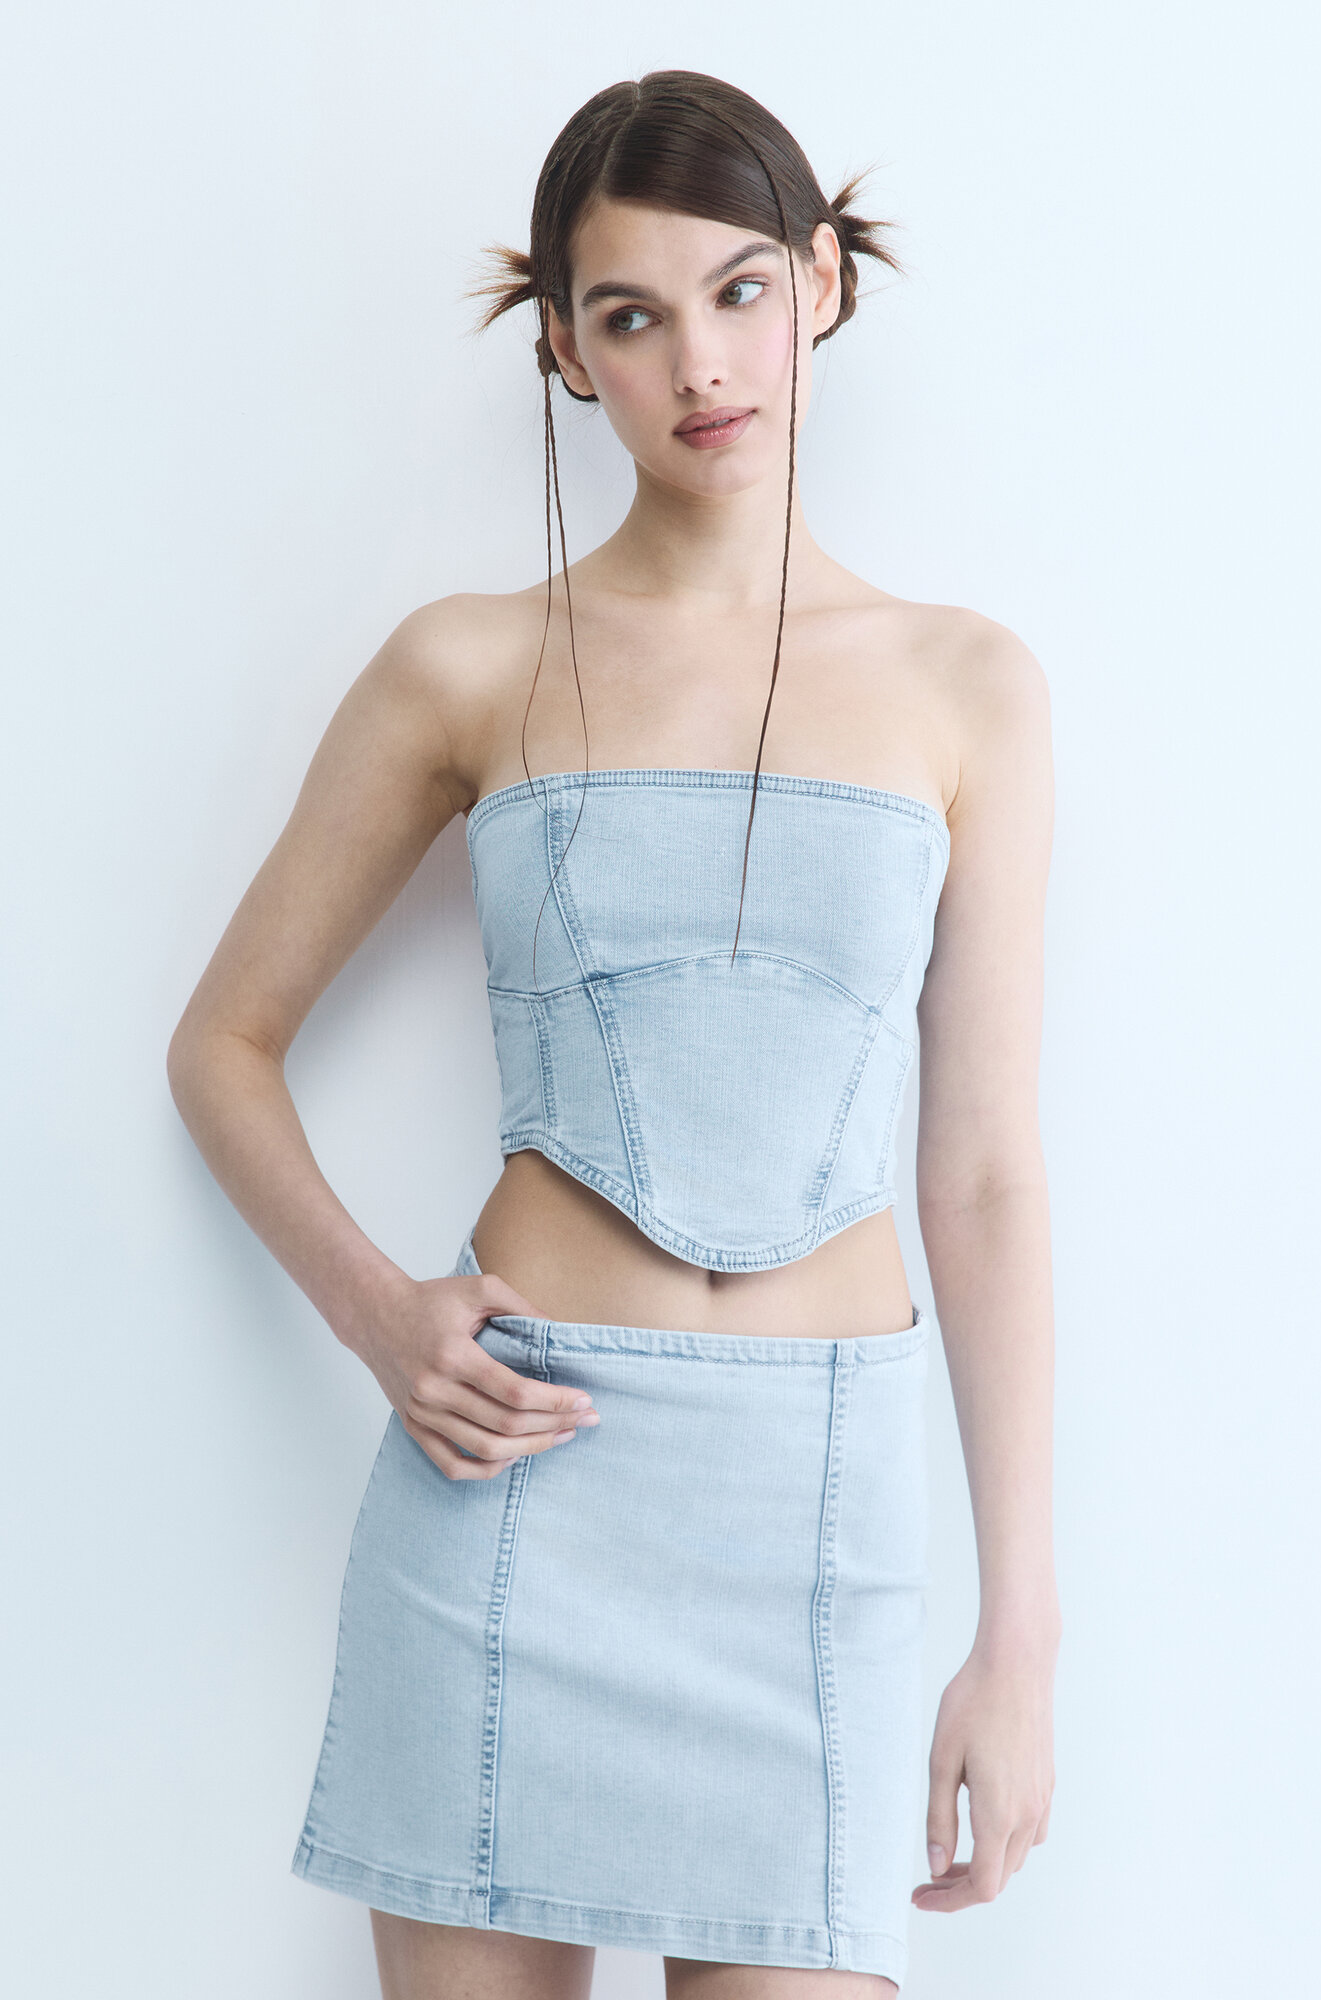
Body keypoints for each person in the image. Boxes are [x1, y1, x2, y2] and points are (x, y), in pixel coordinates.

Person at [167, 67, 1059, 2000]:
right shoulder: (464, 662)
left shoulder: (965, 685)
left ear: (821, 283)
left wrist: (1021, 1641)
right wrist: (379, 1315)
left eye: (738, 290)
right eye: (630, 316)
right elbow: (220, 1045)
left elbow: (984, 1173)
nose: (698, 363)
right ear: (567, 353)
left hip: (814, 1510)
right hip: (515, 1480)